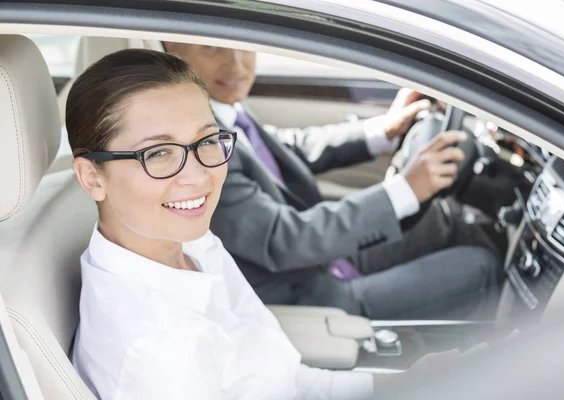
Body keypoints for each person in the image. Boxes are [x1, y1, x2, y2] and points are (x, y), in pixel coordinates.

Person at [69, 48, 390, 400]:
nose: (199, 176)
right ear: (92, 178)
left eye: (206, 141)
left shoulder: (192, 243)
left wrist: (404, 387)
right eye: (158, 153)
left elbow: (285, 381)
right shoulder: (156, 354)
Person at [163, 43, 503, 320]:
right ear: (174, 49)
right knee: (481, 267)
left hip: (322, 261)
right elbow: (286, 240)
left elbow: (290, 147)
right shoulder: (202, 151)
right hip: (308, 294)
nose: (236, 64)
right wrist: (405, 189)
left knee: (446, 222)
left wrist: (382, 130)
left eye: (245, 47)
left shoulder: (223, 111)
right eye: (214, 48)